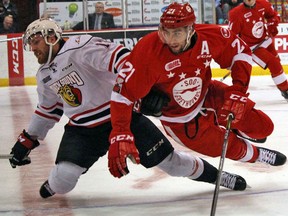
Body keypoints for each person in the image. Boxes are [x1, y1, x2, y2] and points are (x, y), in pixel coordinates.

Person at [8, 18, 248, 199]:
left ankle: (219, 177)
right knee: (62, 182)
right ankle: (62, 177)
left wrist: (146, 86)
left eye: (35, 41)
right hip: (82, 130)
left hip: (121, 118)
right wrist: (28, 140)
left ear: (51, 37)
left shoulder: (80, 46)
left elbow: (123, 59)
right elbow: (47, 111)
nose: (32, 48)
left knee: (172, 164)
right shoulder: (44, 75)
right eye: (29, 44)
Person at [107, 2, 287, 179]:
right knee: (227, 147)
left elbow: (241, 51)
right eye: (165, 32)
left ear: (190, 29)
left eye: (177, 32)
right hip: (179, 120)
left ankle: (237, 130)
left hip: (208, 94)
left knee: (263, 127)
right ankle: (257, 154)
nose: (170, 40)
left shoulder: (209, 36)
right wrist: (121, 130)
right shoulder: (148, 50)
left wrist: (238, 90)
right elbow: (123, 94)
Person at [228, 0, 288, 101]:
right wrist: (231, 56)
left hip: (265, 40)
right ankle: (286, 89)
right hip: (252, 47)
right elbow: (232, 37)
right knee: (274, 63)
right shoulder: (236, 13)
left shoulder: (263, 3)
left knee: (277, 62)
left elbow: (273, 15)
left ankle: (282, 87)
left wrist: (272, 24)